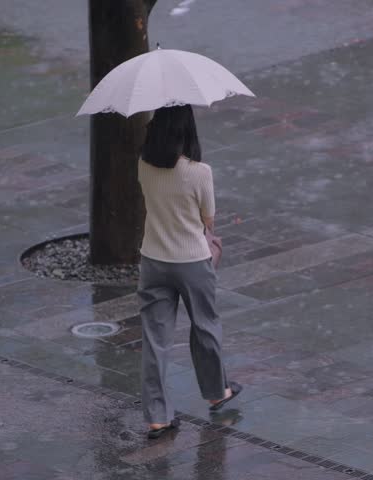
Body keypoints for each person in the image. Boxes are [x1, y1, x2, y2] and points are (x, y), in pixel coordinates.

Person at [136, 104, 242, 439]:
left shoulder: (143, 163)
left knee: (155, 340)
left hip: (153, 260)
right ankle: (215, 392)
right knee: (205, 327)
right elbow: (208, 219)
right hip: (192, 262)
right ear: (187, 129)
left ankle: (157, 416)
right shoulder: (199, 172)